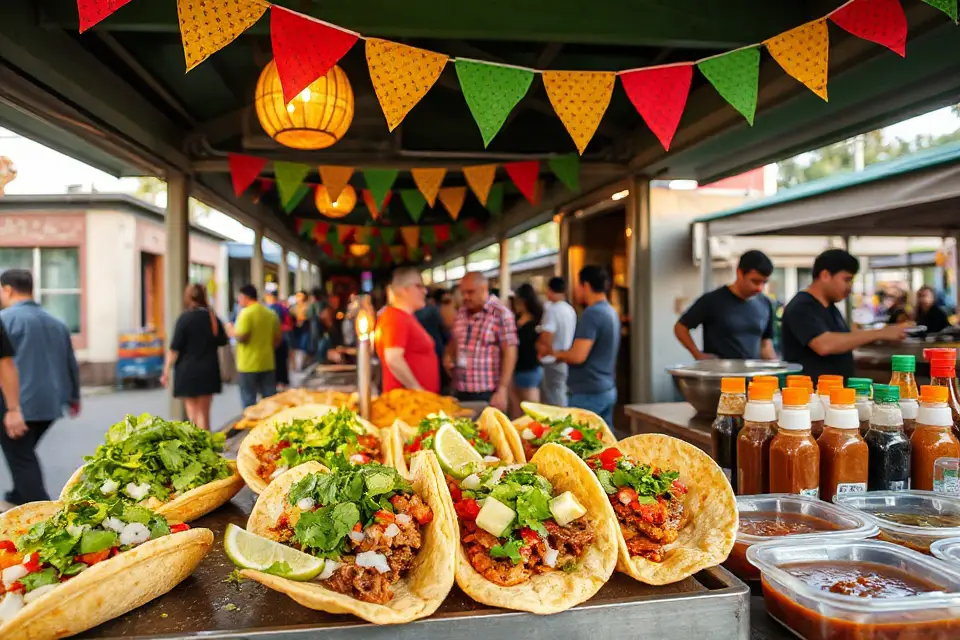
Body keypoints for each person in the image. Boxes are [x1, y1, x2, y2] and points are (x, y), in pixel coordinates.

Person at [0, 269, 79, 505]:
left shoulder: (5, 320)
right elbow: (70, 362)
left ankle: (42, 509)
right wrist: (74, 397)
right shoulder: (57, 322)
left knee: (22, 457)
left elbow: (4, 365)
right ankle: (18, 494)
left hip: (18, 404)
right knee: (23, 453)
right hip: (50, 405)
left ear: (8, 289)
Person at [781, 249, 907, 382]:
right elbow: (824, 344)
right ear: (825, 275)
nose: (850, 287)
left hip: (836, 394)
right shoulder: (802, 306)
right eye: (847, 280)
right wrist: (879, 333)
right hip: (811, 396)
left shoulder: (830, 308)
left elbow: (844, 339)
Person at [543, 266, 620, 426]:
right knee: (605, 443)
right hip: (606, 387)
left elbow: (578, 356)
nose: (576, 291)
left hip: (589, 391)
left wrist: (556, 354)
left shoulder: (592, 313)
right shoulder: (611, 311)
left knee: (578, 442)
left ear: (585, 285)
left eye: (577, 286)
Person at [675, 250, 777, 360]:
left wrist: (775, 366)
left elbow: (766, 343)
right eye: (755, 281)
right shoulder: (712, 300)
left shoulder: (765, 303)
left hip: (752, 374)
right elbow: (681, 328)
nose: (759, 288)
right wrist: (697, 354)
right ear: (739, 273)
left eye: (764, 282)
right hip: (720, 374)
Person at [446, 272, 518, 412]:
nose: (466, 297)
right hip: (460, 389)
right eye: (463, 293)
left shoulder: (501, 314)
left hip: (487, 392)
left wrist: (502, 389)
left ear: (484, 288)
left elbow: (510, 352)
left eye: (470, 292)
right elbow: (454, 342)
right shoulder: (461, 313)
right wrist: (448, 356)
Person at [162, 283, 228, 430]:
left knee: (192, 414)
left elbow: (174, 349)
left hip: (187, 371)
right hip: (208, 370)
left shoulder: (184, 319)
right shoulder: (212, 317)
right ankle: (206, 444)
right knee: (204, 414)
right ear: (204, 297)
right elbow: (223, 340)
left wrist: (166, 371)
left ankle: (196, 447)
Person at [377, 268, 440, 393]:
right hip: (407, 404)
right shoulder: (396, 317)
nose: (424, 291)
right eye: (419, 286)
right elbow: (393, 359)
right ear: (403, 290)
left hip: (413, 402)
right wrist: (417, 389)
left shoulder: (405, 317)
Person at [233, 284, 281, 408]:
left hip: (248, 364)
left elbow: (242, 337)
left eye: (240, 297)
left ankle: (250, 427)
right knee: (270, 401)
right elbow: (277, 339)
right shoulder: (271, 314)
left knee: (249, 402)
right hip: (267, 362)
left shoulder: (246, 314)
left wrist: (231, 331)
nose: (238, 300)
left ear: (245, 297)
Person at [538, 276, 577, 407]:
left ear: (550, 290)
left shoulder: (553, 310)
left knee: (553, 396)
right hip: (566, 356)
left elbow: (548, 334)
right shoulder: (570, 309)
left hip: (552, 359)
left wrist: (546, 351)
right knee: (560, 391)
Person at [510, 283, 544, 416]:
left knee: (532, 413)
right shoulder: (518, 319)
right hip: (520, 370)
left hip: (529, 369)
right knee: (519, 411)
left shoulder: (535, 322)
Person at [414, 288, 449, 391]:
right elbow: (446, 334)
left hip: (421, 368)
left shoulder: (414, 314)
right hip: (438, 357)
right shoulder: (435, 312)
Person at [264, 285, 292, 390]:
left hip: (276, 340)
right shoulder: (283, 308)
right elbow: (289, 324)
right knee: (282, 364)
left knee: (276, 365)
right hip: (283, 339)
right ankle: (282, 384)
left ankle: (277, 386)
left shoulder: (269, 310)